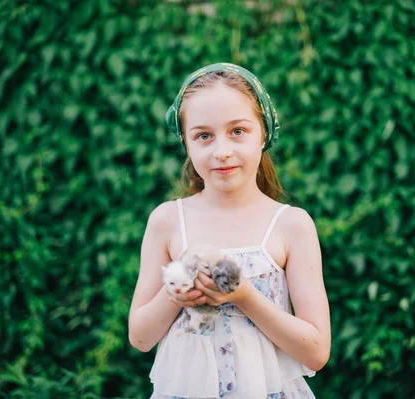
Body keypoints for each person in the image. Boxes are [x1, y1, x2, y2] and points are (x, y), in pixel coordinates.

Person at [128, 63, 331, 399]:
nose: (221, 151)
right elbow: (140, 337)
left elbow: (316, 351)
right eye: (204, 136)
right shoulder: (167, 220)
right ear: (186, 143)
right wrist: (174, 296)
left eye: (238, 131)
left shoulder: (291, 225)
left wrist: (244, 296)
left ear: (263, 133)